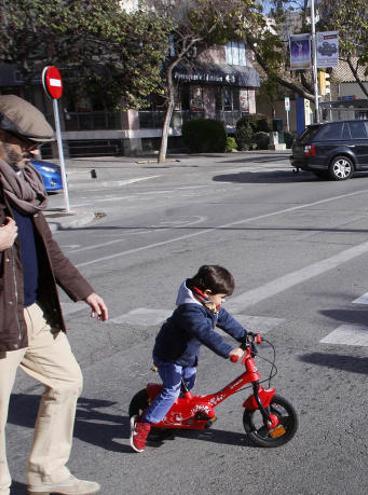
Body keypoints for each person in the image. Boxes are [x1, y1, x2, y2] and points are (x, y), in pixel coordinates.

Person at [0, 95, 109, 495]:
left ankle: (48, 472)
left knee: (67, 381)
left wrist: (85, 292)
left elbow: (49, 248)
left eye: (38, 144)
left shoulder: (24, 182)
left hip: (32, 308)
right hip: (0, 316)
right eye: (25, 141)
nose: (33, 151)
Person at [130, 265, 248, 453]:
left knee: (188, 383)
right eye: (222, 297)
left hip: (186, 356)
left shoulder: (209, 303)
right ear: (208, 292)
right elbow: (204, 333)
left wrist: (245, 336)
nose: (223, 302)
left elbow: (224, 319)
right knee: (171, 391)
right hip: (170, 356)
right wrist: (229, 351)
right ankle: (143, 425)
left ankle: (177, 415)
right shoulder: (190, 310)